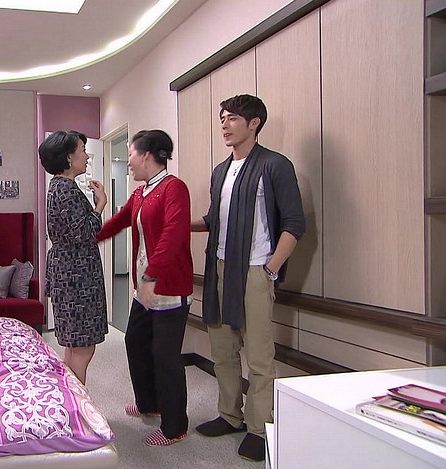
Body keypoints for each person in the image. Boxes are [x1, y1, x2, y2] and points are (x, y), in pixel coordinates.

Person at [192, 94, 305, 462]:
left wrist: (271, 268)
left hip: (256, 269)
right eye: (222, 118)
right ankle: (230, 415)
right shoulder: (220, 171)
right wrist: (178, 225)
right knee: (222, 348)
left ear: (254, 123)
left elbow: (294, 224)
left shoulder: (275, 165)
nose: (224, 125)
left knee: (258, 355)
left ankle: (259, 427)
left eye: (233, 118)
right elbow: (214, 220)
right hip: (220, 266)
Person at [96, 129, 192, 447]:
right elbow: (120, 221)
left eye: (131, 155)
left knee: (165, 355)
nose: (129, 162)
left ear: (146, 155)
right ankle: (149, 403)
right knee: (135, 341)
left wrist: (151, 276)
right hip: (145, 289)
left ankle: (175, 426)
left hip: (169, 287)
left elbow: (173, 235)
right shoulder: (140, 193)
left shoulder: (174, 188)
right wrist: (91, 238)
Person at [40, 130, 108, 385]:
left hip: (69, 271)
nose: (87, 156)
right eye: (82, 150)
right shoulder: (66, 189)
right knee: (83, 347)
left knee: (74, 346)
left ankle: (68, 399)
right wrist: (100, 204)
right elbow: (85, 232)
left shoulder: (58, 186)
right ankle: (77, 404)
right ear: (69, 157)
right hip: (76, 275)